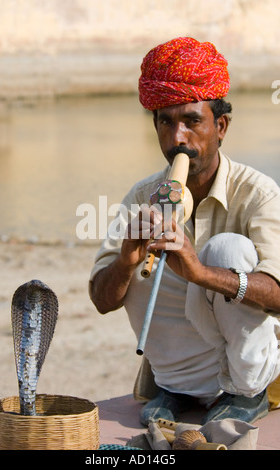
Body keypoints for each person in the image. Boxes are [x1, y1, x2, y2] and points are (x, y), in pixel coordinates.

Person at [89, 37, 280, 426]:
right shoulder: (143, 195)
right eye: (166, 122)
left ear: (220, 126)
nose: (178, 138)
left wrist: (201, 273)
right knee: (144, 264)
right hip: (183, 369)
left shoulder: (258, 193)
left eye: (192, 121)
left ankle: (248, 393)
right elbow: (102, 299)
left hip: (247, 364)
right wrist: (127, 261)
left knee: (228, 250)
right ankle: (177, 389)